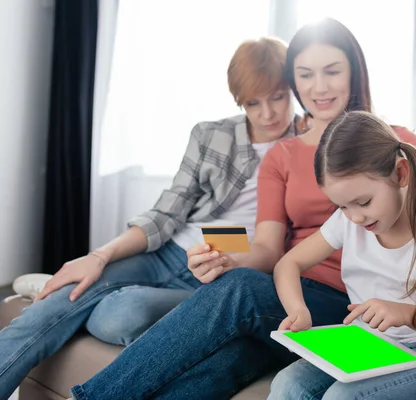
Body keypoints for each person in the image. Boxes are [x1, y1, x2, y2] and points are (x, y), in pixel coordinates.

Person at [67, 18, 416, 400]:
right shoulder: (281, 155)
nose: (319, 87)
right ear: (293, 82)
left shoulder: (398, 142)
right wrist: (228, 263)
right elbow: (268, 249)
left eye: (332, 71)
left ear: (355, 71)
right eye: (305, 75)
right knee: (224, 362)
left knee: (238, 291)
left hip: (358, 307)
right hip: (289, 300)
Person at [0, 36, 307, 400]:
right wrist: (98, 256)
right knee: (57, 304)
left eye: (278, 97)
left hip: (221, 274)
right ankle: (77, 289)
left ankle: (98, 295)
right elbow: (166, 212)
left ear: (293, 90)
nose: (268, 114)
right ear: (240, 101)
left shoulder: (308, 143)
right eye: (254, 103)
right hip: (171, 251)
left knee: (118, 316)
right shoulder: (211, 135)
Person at [268, 110, 416, 399]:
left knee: (341, 398)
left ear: (400, 173)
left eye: (363, 202)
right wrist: (298, 311)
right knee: (287, 384)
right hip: (362, 345)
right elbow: (288, 264)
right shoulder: (348, 222)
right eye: (342, 206)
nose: (355, 217)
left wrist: (405, 314)